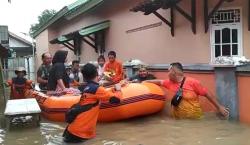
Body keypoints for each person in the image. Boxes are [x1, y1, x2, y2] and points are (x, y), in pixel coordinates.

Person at [144, 62, 229, 119]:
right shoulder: (169, 82)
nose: (167, 74)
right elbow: (159, 81)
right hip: (178, 121)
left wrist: (219, 107)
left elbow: (207, 94)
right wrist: (143, 82)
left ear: (174, 72)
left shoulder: (193, 82)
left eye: (168, 71)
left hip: (195, 120)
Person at [63, 63, 121, 143]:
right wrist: (118, 90)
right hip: (79, 134)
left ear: (84, 77)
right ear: (96, 73)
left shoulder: (87, 88)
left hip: (72, 131)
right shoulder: (97, 89)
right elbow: (117, 100)